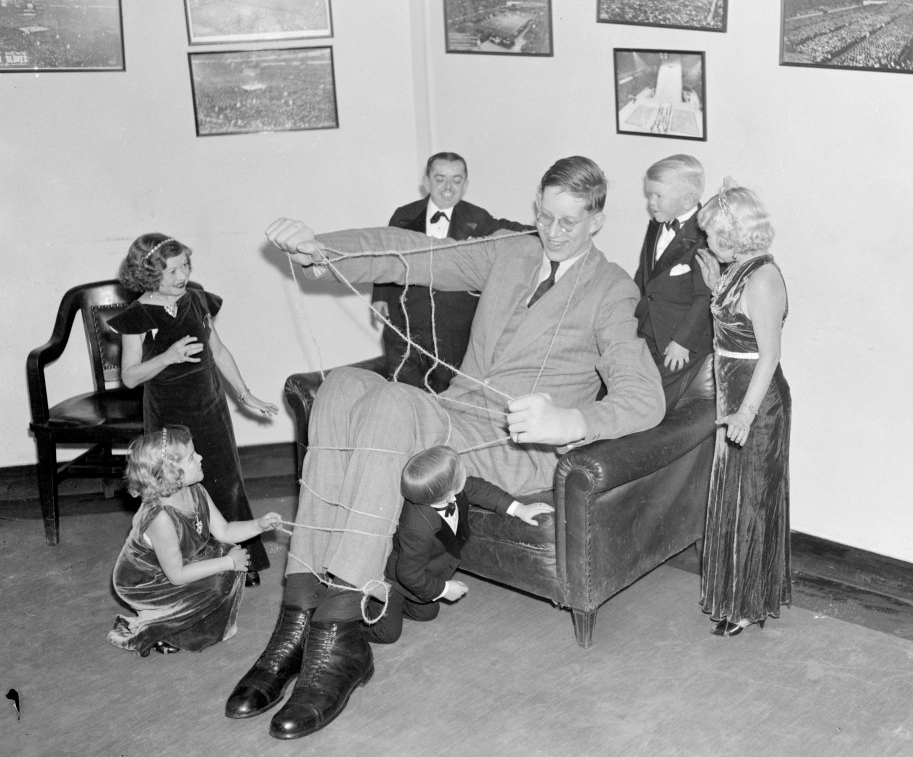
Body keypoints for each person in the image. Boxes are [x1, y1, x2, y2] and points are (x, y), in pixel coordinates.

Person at [225, 156, 665, 740]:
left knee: (389, 406)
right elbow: (410, 251)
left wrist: (570, 419)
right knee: (343, 386)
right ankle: (298, 616)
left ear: (598, 220)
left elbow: (645, 398)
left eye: (569, 223)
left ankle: (335, 631)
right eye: (545, 216)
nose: (553, 234)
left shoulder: (611, 289)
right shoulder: (511, 249)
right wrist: (319, 248)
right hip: (456, 413)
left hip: (508, 444)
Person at [110, 234, 279, 587]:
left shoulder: (197, 300)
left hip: (210, 407)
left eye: (185, 264)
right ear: (148, 275)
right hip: (167, 414)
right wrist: (168, 356)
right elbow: (129, 376)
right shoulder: (138, 315)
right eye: (171, 271)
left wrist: (246, 395)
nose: (181, 275)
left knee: (226, 481)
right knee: (175, 492)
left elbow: (217, 351)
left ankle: (241, 561)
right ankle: (189, 566)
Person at [694, 180, 791, 637]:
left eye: (712, 235)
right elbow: (732, 327)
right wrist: (717, 286)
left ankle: (748, 604)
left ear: (734, 234)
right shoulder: (736, 269)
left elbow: (768, 355)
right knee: (730, 496)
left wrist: (746, 414)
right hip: (732, 398)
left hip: (758, 402)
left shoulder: (764, 277)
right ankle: (734, 595)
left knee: (751, 498)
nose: (707, 243)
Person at [108, 426, 283, 657]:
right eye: (192, 457)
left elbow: (225, 531)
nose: (200, 457)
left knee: (228, 553)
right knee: (221, 576)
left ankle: (191, 623)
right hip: (145, 582)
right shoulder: (160, 517)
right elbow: (177, 575)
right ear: (171, 473)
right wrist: (228, 563)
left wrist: (258, 525)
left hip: (178, 562)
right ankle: (156, 628)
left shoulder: (196, 490)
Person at [371, 151, 531, 392]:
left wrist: (547, 228)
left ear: (465, 185)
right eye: (440, 179)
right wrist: (380, 295)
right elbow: (386, 255)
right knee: (404, 396)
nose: (448, 187)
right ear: (426, 182)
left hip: (454, 329)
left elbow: (508, 230)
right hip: (405, 323)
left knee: (450, 397)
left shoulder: (478, 218)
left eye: (456, 180)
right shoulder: (403, 215)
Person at [363, 445, 554, 644]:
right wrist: (444, 589)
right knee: (388, 634)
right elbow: (407, 573)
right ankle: (362, 612)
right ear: (448, 495)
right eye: (461, 472)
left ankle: (394, 609)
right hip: (395, 579)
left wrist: (518, 508)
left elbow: (481, 489)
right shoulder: (418, 528)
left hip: (424, 571)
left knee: (427, 613)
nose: (466, 472)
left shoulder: (448, 492)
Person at [633, 154, 713, 411]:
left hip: (678, 341)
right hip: (647, 329)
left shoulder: (706, 235)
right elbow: (644, 276)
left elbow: (705, 296)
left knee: (650, 401)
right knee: (622, 383)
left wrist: (682, 341)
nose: (651, 203)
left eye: (658, 196)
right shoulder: (657, 225)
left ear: (687, 200)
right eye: (649, 195)